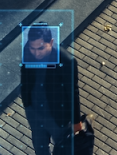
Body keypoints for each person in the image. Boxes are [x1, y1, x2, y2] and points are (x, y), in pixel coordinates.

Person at [20, 27, 85, 155]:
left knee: (63, 149)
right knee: (40, 148)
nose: (36, 53)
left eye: (41, 48)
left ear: (50, 42)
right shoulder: (28, 51)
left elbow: (73, 92)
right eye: (33, 48)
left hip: (56, 117)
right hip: (35, 113)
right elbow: (25, 78)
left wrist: (76, 121)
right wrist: (27, 105)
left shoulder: (67, 61)